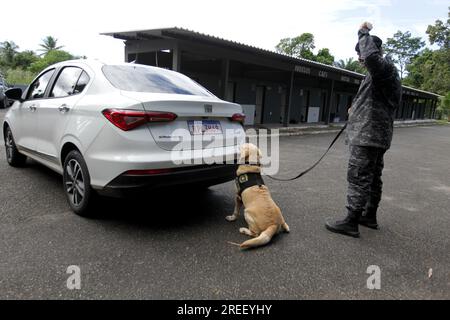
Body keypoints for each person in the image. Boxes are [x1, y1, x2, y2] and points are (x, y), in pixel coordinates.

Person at [325, 22, 402, 238]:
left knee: (359, 176)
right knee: (372, 177)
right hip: (375, 135)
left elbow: (370, 58)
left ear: (372, 51)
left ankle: (351, 222)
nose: (360, 59)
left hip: (369, 136)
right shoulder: (379, 74)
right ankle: (369, 216)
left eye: (361, 53)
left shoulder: (383, 68)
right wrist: (355, 108)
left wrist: (363, 32)